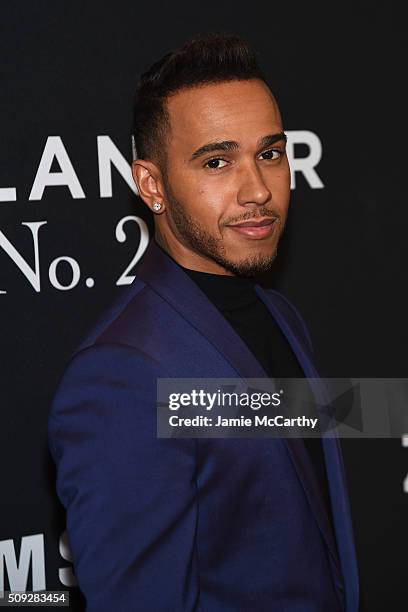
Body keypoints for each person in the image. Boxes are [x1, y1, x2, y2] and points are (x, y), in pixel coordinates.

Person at [48, 33, 359, 611]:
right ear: (152, 185)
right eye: (217, 162)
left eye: (269, 153)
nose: (259, 190)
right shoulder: (122, 376)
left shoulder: (279, 313)